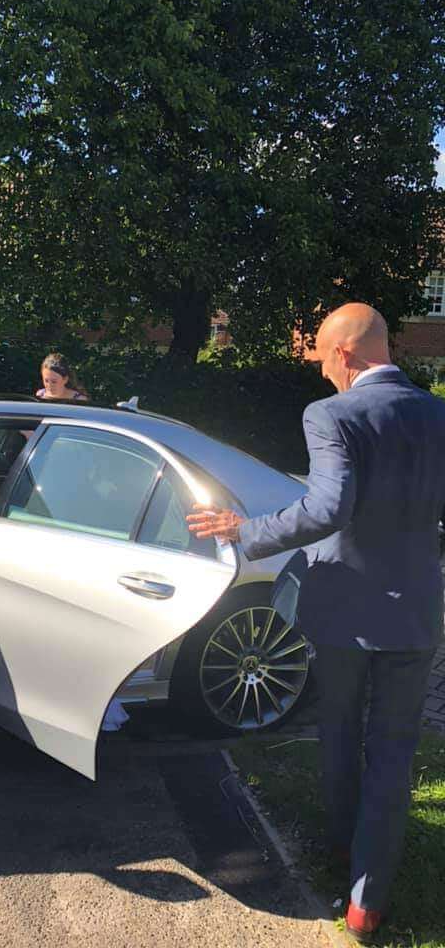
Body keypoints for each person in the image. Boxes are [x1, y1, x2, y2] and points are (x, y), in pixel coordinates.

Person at [186, 302, 445, 944]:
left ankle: (340, 853)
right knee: (393, 753)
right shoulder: (440, 413)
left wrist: (246, 531)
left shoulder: (331, 414)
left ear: (346, 354)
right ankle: (367, 902)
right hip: (417, 611)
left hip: (345, 613)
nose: (323, 373)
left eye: (323, 359)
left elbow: (329, 506)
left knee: (339, 735)